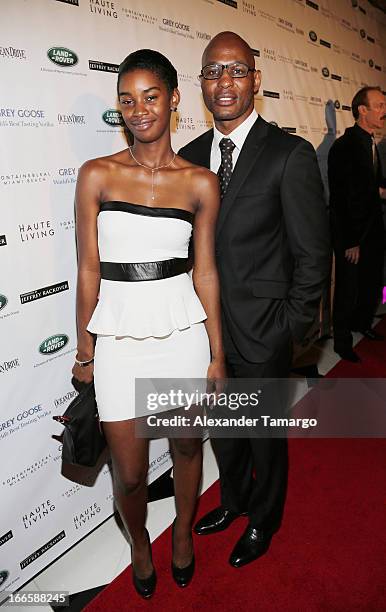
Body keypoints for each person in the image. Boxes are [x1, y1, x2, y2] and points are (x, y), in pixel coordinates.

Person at [72, 49, 225, 598]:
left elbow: (205, 271)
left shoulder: (201, 183)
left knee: (187, 448)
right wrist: (85, 349)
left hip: (182, 335)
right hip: (117, 340)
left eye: (151, 97)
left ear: (175, 99)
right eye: (127, 100)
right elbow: (88, 267)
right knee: (131, 474)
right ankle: (140, 542)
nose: (139, 110)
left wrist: (216, 353)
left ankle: (181, 533)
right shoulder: (97, 174)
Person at [179, 31, 330, 568]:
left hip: (265, 327)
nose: (225, 82)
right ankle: (234, 500)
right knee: (224, 430)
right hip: (205, 331)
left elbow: (313, 252)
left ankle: (265, 518)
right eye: (214, 72)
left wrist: (291, 325)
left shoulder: (289, 154)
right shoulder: (190, 157)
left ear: (256, 80)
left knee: (264, 435)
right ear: (201, 83)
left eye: (236, 71)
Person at [328, 86, 386, 362]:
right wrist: (351, 241)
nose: (384, 111)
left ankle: (362, 324)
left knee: (371, 284)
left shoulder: (371, 143)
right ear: (362, 111)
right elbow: (342, 198)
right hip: (353, 236)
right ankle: (342, 341)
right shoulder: (345, 146)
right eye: (379, 106)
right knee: (347, 291)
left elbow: (368, 186)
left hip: (374, 231)